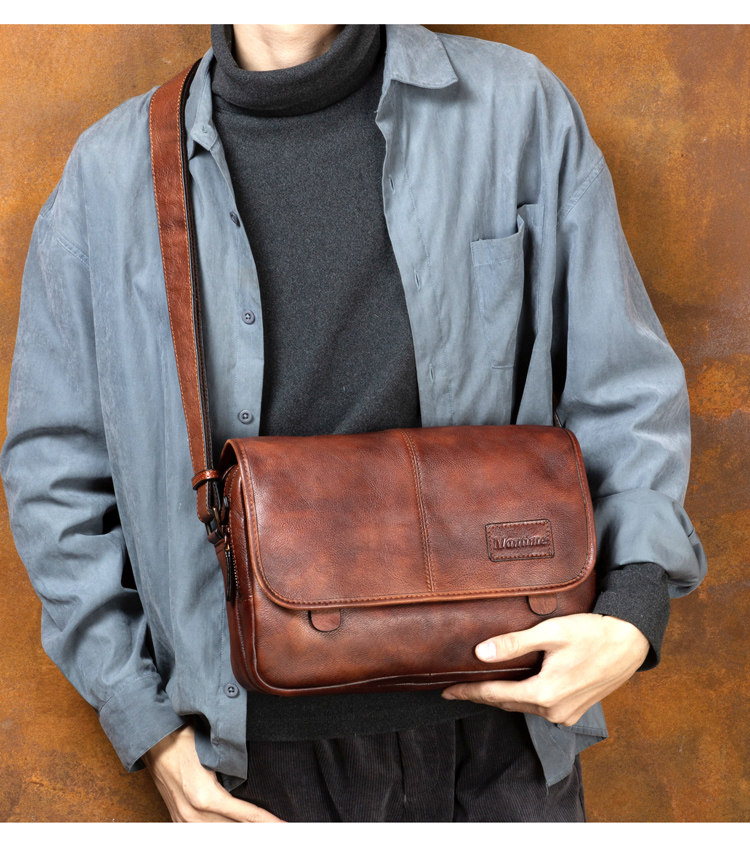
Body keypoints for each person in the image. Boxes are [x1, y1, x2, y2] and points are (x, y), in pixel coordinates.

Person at [1, 24, 707, 822]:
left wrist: (634, 608)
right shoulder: (110, 175)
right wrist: (145, 722)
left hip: (506, 738)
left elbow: (623, 382)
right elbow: (54, 474)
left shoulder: (519, 111)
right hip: (251, 764)